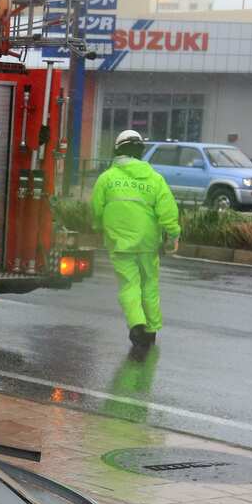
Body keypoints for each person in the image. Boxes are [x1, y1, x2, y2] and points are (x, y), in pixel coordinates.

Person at [91, 129, 181, 348]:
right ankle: (151, 329)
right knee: (149, 284)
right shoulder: (155, 179)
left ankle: (137, 325)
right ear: (140, 151)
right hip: (149, 243)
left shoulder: (107, 178)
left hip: (119, 243)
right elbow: (168, 211)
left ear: (117, 150)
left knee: (129, 285)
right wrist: (173, 235)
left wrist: (97, 227)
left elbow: (96, 209)